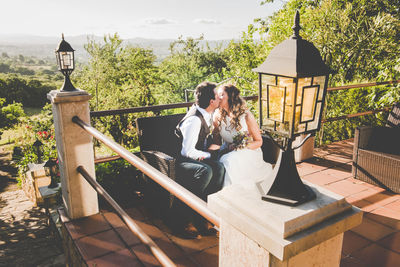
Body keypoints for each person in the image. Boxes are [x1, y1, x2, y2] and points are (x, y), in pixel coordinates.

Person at [173, 81, 225, 238]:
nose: (219, 99)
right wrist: (211, 154)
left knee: (219, 168)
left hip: (192, 157)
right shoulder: (194, 119)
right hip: (179, 160)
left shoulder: (206, 114)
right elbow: (187, 151)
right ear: (211, 102)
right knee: (205, 171)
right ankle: (182, 221)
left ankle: (203, 215)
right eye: (217, 97)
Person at [213, 84, 272, 189]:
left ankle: (230, 193)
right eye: (218, 95)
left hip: (249, 150)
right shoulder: (217, 116)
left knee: (230, 160)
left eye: (222, 95)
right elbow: (216, 142)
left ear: (231, 97)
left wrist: (240, 146)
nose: (218, 97)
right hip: (227, 150)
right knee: (225, 158)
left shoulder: (246, 116)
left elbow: (259, 141)